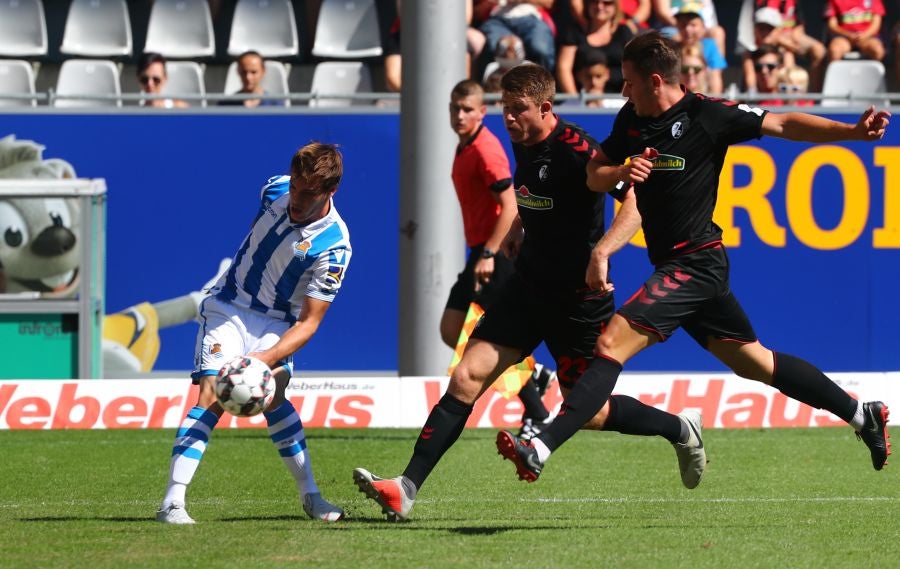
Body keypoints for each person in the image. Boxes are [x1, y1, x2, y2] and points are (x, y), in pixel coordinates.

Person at [495, 32, 892, 484]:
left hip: (696, 262)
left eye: (628, 82)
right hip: (676, 266)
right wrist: (622, 171)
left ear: (655, 80)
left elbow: (783, 124)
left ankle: (541, 445)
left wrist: (853, 133)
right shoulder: (632, 118)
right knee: (755, 362)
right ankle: (862, 414)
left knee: (610, 344)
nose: (622, 91)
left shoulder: (708, 114)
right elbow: (594, 174)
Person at [353, 63, 707, 522]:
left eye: (519, 110)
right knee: (466, 377)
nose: (510, 119)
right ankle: (405, 487)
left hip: (578, 302)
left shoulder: (579, 150)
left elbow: (637, 205)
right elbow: (539, 195)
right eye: (505, 109)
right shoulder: (526, 143)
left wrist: (602, 252)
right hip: (527, 289)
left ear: (545, 107)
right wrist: (520, 223)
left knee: (593, 413)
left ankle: (680, 428)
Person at [155, 142, 351, 524]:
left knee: (274, 395)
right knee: (211, 393)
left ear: (330, 192)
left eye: (308, 193)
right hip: (229, 305)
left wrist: (262, 360)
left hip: (277, 322)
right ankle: (172, 503)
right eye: (295, 186)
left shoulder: (335, 245)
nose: (296, 198)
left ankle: (311, 496)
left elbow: (309, 322)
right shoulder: (274, 190)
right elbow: (258, 240)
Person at [444, 79, 555, 438]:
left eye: (467, 109)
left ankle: (537, 412)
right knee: (451, 329)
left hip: (495, 253)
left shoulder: (485, 149)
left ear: (481, 112)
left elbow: (510, 205)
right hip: (481, 251)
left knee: (495, 339)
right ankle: (533, 372)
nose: (460, 115)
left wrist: (491, 252)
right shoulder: (465, 147)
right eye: (455, 109)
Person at [556, 0, 634, 96]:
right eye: (594, 1)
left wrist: (622, 100)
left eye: (607, 3)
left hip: (618, 100)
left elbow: (633, 68)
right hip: (580, 101)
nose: (599, 6)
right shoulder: (574, 32)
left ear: (615, 6)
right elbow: (564, 68)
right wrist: (575, 101)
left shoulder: (624, 32)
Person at [753, 1, 826, 92]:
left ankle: (814, 93)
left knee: (818, 50)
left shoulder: (793, 2)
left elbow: (799, 27)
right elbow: (765, 32)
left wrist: (792, 41)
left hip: (789, 38)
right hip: (771, 42)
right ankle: (787, 93)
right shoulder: (764, 3)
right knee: (788, 54)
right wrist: (786, 43)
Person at [478, 0, 557, 72]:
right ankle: (493, 85)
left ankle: (543, 84)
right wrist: (487, 3)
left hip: (530, 18)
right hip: (497, 20)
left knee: (541, 49)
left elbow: (550, 3)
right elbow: (476, 12)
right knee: (494, 47)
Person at [673, 1, 724, 94]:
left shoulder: (709, 46)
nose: (687, 29)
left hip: (704, 96)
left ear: (703, 26)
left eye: (693, 25)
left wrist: (714, 101)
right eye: (683, 25)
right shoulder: (673, 47)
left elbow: (715, 77)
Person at [218, 51, 285, 107]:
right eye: (244, 72)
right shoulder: (226, 105)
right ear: (238, 71)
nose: (248, 77)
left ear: (263, 71)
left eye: (253, 72)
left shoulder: (275, 104)